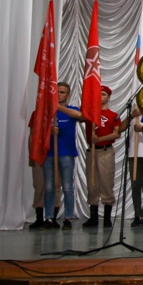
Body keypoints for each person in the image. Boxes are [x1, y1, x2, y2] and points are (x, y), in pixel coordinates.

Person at [43, 82, 84, 230]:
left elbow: (80, 116)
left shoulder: (71, 109)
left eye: (62, 92)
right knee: (49, 187)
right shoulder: (47, 111)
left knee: (67, 187)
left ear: (67, 95)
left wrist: (59, 107)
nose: (59, 94)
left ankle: (68, 217)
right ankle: (49, 217)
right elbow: (39, 130)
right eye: (57, 92)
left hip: (66, 153)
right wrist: (49, 132)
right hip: (49, 153)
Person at [82, 85, 121, 229]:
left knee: (106, 182)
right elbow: (77, 116)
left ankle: (107, 217)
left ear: (109, 97)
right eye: (98, 94)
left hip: (106, 151)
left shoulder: (113, 115)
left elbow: (116, 133)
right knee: (92, 183)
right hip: (92, 151)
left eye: (103, 94)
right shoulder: (89, 114)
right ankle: (93, 217)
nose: (100, 96)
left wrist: (100, 139)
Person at [27, 111, 61, 230]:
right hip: (39, 154)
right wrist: (31, 154)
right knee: (39, 185)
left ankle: (52, 218)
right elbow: (32, 134)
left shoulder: (59, 114)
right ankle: (39, 217)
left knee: (55, 185)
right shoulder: (37, 113)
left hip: (55, 154)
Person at [121, 107, 143, 227]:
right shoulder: (133, 114)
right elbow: (121, 128)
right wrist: (132, 116)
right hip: (134, 154)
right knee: (135, 186)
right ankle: (137, 215)